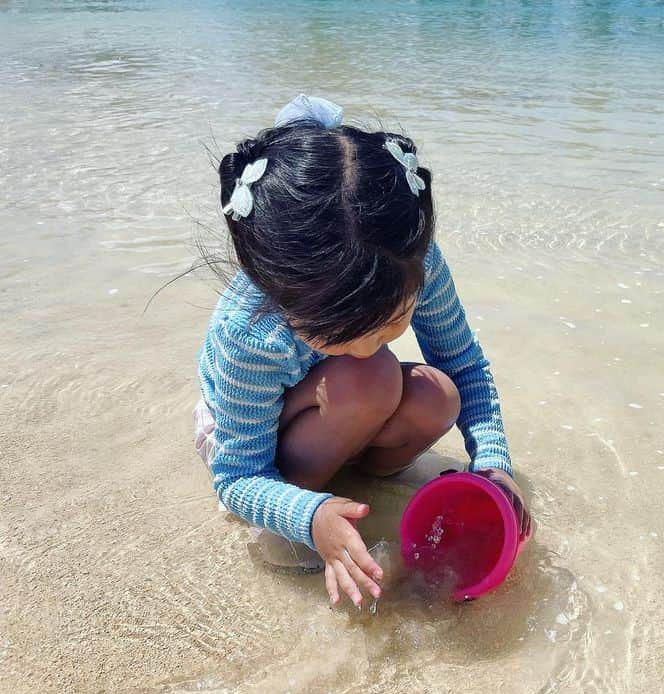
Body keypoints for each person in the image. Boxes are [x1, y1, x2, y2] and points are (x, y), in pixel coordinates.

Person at [194, 94, 530, 609]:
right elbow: (237, 477)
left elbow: (462, 363)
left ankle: (359, 483)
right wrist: (307, 517)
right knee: (371, 375)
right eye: (342, 333)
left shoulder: (412, 264)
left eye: (390, 324)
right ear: (280, 294)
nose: (371, 343)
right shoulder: (250, 333)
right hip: (254, 438)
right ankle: (306, 500)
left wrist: (493, 465)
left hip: (340, 408)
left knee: (437, 395)